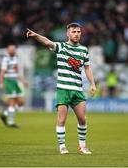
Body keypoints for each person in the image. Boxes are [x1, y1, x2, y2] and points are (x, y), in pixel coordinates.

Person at [26, 22, 96, 154]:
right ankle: (62, 146)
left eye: (78, 32)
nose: (76, 34)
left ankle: (82, 146)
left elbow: (87, 67)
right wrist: (36, 36)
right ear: (68, 34)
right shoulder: (61, 47)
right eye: (73, 32)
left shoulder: (84, 50)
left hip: (77, 90)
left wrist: (92, 83)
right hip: (63, 89)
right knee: (62, 119)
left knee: (83, 119)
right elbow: (48, 42)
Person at [0, 43, 28, 128]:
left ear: (15, 50)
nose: (12, 50)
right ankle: (11, 122)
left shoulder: (15, 58)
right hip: (8, 82)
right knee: (12, 102)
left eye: (13, 49)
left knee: (21, 102)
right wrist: (1, 83)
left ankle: (5, 114)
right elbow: (2, 72)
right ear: (8, 50)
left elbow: (17, 72)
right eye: (10, 49)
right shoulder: (6, 59)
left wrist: (23, 81)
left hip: (15, 82)